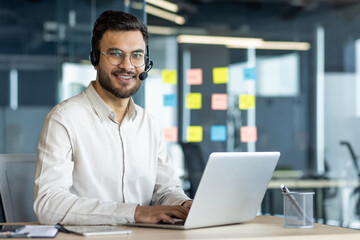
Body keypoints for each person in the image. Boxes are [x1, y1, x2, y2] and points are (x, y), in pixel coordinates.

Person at [33, 10, 192, 225]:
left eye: (136, 55)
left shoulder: (148, 123)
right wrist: (135, 213)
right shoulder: (64, 119)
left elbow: (165, 191)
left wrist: (184, 205)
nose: (127, 65)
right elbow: (48, 205)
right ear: (95, 58)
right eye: (116, 53)